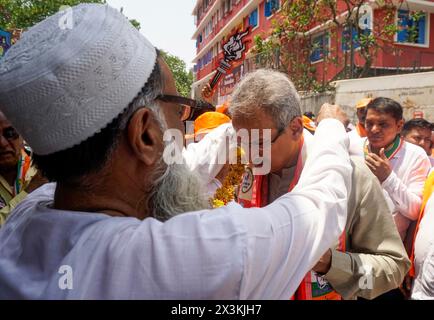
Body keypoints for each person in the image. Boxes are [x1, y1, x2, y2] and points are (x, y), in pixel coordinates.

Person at [0, 4, 352, 299]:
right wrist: (332, 125)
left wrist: (238, 131)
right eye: (178, 109)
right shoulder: (178, 259)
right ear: (146, 135)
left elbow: (185, 166)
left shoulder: (24, 219)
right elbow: (320, 205)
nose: (182, 127)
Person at [231, 70, 409, 300]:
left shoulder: (353, 176)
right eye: (241, 141)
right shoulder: (249, 174)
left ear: (296, 128)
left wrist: (331, 263)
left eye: (259, 143)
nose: (250, 153)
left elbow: (393, 269)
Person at [360, 98, 431, 242]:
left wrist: (388, 178)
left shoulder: (416, 156)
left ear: (399, 126)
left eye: (383, 124)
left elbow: (415, 211)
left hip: (389, 248)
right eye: (369, 123)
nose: (374, 130)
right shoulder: (352, 147)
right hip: (349, 242)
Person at [0, 111, 45, 226]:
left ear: (23, 135)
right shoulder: (39, 181)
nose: (2, 143)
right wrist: (29, 192)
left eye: (9, 133)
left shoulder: (44, 169)